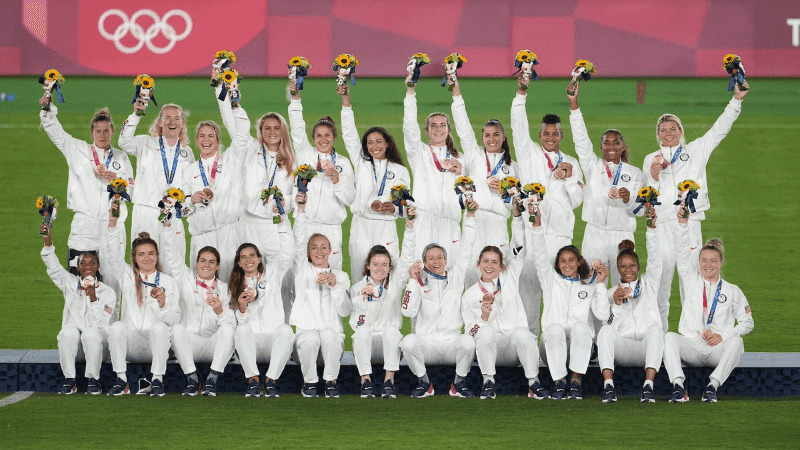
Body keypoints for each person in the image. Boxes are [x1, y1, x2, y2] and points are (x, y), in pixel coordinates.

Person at [642, 83, 749, 331]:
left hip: (689, 225)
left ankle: (693, 337)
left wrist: (736, 100)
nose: (668, 133)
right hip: (662, 228)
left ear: (681, 131)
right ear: (658, 134)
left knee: (691, 285)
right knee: (659, 286)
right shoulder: (651, 159)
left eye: (673, 128)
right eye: (663, 130)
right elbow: (647, 198)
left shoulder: (696, 150)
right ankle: (658, 338)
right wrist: (654, 178)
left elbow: (719, 129)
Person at [511, 76, 584, 338]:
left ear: (561, 136)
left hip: (560, 242)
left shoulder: (571, 162)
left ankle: (557, 351)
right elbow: (518, 127)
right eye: (546, 133)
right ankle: (528, 352)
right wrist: (521, 94)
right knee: (528, 304)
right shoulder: (528, 154)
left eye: (555, 133)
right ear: (539, 135)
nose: (550, 137)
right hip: (533, 238)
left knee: (558, 306)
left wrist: (569, 180)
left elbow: (577, 201)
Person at [39, 97, 133, 296]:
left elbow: (132, 191)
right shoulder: (78, 150)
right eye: (98, 131)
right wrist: (47, 109)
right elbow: (56, 132)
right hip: (84, 225)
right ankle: (78, 317)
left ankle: (111, 318)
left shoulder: (121, 158)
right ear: (92, 133)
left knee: (112, 284)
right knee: (78, 283)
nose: (102, 135)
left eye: (106, 131)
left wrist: (117, 181)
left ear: (112, 131)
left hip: (113, 226)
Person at [663, 207, 754, 403]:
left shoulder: (732, 290)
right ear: (699, 262)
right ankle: (678, 386)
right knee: (669, 337)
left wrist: (724, 336)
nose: (708, 265)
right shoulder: (690, 280)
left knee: (737, 342)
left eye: (713, 261)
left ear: (721, 262)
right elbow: (682, 253)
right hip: (692, 345)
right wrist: (683, 224)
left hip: (717, 348)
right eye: (703, 260)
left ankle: (712, 387)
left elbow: (748, 322)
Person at [461, 206, 549, 400]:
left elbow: (519, 247)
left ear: (502, 266)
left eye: (494, 262)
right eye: (486, 261)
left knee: (524, 333)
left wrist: (517, 217)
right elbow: (470, 332)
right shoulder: (469, 295)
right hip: (488, 350)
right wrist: (483, 318)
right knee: (485, 332)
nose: (489, 266)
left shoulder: (510, 277)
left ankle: (534, 383)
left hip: (513, 349)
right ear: (478, 264)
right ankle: (488, 382)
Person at [400, 197, 479, 398]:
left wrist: (470, 217)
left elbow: (466, 249)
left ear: (446, 260)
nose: (436, 261)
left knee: (468, 342)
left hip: (452, 343)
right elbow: (407, 311)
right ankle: (424, 381)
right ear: (424, 262)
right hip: (427, 343)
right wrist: (412, 280)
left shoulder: (456, 277)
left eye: (439, 257)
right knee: (408, 342)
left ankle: (458, 383)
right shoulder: (418, 281)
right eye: (431, 258)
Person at [568, 82, 643, 288]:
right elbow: (581, 140)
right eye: (606, 142)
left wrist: (628, 199)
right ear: (600, 147)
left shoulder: (635, 174)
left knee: (625, 289)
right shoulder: (592, 166)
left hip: (623, 236)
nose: (611, 146)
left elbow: (641, 210)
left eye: (616, 142)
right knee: (591, 287)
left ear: (623, 146)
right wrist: (574, 104)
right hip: (595, 234)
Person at [528, 202, 606, 400]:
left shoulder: (589, 285)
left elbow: (603, 314)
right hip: (551, 348)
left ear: (579, 262)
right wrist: (537, 226)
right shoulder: (550, 281)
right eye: (563, 261)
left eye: (571, 260)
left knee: (581, 328)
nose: (567, 264)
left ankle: (576, 381)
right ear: (557, 264)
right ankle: (560, 382)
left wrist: (600, 284)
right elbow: (539, 254)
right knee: (554, 329)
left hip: (580, 348)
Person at [216, 79, 295, 265]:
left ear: (283, 131)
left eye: (276, 128)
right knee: (246, 273)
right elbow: (231, 123)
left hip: (277, 225)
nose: (272, 132)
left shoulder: (292, 160)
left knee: (279, 274)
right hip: (248, 224)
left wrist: (286, 202)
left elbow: (298, 195)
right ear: (260, 131)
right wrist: (225, 94)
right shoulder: (250, 149)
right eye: (267, 128)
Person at [105, 203, 180, 396]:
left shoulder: (168, 282)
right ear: (135, 258)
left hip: (156, 346)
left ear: (157, 255)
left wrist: (163, 305)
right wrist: (112, 224)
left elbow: (175, 320)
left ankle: (157, 380)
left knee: (161, 327)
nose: (147, 258)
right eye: (141, 254)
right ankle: (121, 379)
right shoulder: (127, 276)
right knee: (116, 327)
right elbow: (113, 256)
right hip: (131, 346)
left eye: (151, 253)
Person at [450, 79, 518, 288]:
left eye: (496, 134)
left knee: (498, 278)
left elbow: (518, 206)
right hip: (474, 220)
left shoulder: (514, 167)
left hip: (498, 224)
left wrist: (505, 193)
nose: (491, 139)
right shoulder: (475, 155)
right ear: (482, 138)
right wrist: (456, 94)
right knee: (471, 274)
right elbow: (463, 127)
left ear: (503, 137)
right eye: (487, 135)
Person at [340, 85, 411, 280]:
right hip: (361, 226)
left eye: (379, 141)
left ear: (387, 143)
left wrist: (393, 208)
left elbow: (405, 204)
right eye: (370, 142)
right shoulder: (361, 163)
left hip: (386, 227)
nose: (374, 146)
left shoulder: (400, 171)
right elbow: (349, 134)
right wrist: (346, 102)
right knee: (359, 275)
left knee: (388, 277)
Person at [592, 208, 663, 403]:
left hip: (646, 347)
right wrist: (616, 306)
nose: (628, 270)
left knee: (656, 330)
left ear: (638, 267)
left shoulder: (649, 284)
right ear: (618, 269)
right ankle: (608, 387)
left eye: (632, 265)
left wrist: (651, 229)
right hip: (622, 349)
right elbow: (604, 320)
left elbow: (655, 260)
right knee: (605, 332)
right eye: (623, 266)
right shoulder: (612, 293)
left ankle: (648, 387)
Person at [160, 221, 235, 397]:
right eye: (203, 261)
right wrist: (167, 227)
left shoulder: (225, 289)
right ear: (196, 263)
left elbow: (231, 323)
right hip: (189, 344)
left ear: (218, 266)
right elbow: (172, 255)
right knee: (177, 329)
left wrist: (219, 311)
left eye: (211, 262)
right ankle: (192, 378)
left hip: (213, 346)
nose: (206, 265)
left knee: (228, 329)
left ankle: (212, 379)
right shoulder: (185, 278)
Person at [349, 206, 416, 398]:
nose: (380, 269)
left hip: (391, 345)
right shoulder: (357, 288)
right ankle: (366, 381)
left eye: (385, 265)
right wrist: (363, 301)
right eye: (376, 264)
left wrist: (409, 228)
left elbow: (407, 258)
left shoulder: (396, 282)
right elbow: (355, 324)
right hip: (366, 345)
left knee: (391, 330)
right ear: (368, 266)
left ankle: (389, 381)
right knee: (362, 331)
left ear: (390, 267)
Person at [40, 223, 116, 395]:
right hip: (76, 346)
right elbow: (54, 269)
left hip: (100, 347)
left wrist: (93, 298)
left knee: (90, 333)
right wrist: (47, 241)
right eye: (83, 263)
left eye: (92, 263)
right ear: (79, 267)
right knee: (67, 332)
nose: (88, 266)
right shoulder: (70, 283)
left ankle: (93, 380)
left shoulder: (108, 293)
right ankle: (69, 380)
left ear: (98, 266)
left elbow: (99, 323)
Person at [288, 80, 355, 270]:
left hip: (331, 228)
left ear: (334, 136)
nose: (323, 139)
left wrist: (337, 180)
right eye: (318, 135)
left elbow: (350, 199)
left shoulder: (343, 163)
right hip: (305, 224)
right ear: (313, 138)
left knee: (331, 275)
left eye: (327, 135)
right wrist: (295, 98)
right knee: (301, 274)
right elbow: (297, 128)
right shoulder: (305, 154)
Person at [403, 71, 467, 270]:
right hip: (424, 220)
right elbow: (409, 129)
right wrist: (410, 93)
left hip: (451, 222)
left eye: (442, 125)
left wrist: (461, 174)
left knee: (452, 272)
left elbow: (469, 193)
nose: (438, 129)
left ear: (448, 129)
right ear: (427, 131)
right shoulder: (419, 153)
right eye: (433, 126)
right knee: (421, 271)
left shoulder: (461, 159)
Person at [118, 100, 195, 260]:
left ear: (182, 123)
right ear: (160, 122)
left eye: (177, 118)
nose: (172, 122)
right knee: (143, 263)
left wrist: (186, 206)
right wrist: (136, 115)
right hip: (145, 212)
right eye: (167, 118)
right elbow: (123, 142)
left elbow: (189, 185)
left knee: (174, 263)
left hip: (173, 213)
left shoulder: (187, 152)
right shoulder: (145, 143)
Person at [291, 194, 351, 398]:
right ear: (308, 253)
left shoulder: (341, 277)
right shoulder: (301, 271)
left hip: (332, 341)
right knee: (310, 336)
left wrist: (335, 287)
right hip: (305, 339)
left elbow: (345, 311)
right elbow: (299, 240)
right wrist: (301, 211)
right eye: (314, 247)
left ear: (331, 251)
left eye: (323, 247)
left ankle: (331, 381)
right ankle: (309, 382)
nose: (319, 251)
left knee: (329, 334)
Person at [229, 221, 295, 398]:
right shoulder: (235, 284)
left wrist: (283, 225)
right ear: (239, 263)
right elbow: (237, 322)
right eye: (243, 257)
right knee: (241, 329)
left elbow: (288, 253)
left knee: (286, 330)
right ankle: (253, 380)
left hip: (273, 341)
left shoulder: (274, 272)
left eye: (252, 255)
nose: (248, 260)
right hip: (251, 344)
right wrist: (242, 308)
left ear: (259, 259)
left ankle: (271, 380)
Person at [181, 120, 244, 282]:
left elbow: (240, 137)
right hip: (201, 236)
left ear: (217, 140)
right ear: (196, 140)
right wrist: (191, 201)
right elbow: (181, 210)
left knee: (231, 285)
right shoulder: (188, 171)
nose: (206, 139)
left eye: (211, 135)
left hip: (229, 233)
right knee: (202, 287)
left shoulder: (230, 162)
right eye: (202, 136)